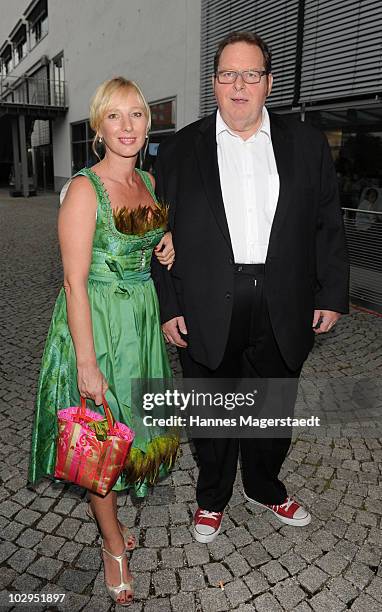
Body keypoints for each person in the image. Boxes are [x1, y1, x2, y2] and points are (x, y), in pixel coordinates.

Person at [152, 31, 349, 543]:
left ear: (268, 82)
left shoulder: (306, 143)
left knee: (273, 405)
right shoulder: (176, 152)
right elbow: (156, 235)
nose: (239, 84)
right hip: (204, 303)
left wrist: (331, 294)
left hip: (284, 298)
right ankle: (211, 497)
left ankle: (263, 487)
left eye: (251, 74)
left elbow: (328, 221)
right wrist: (169, 304)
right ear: (213, 82)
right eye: (227, 74)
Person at [28, 77, 179, 605]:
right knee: (100, 438)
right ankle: (113, 545)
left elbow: (143, 227)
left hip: (140, 323)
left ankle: (115, 532)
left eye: (137, 114)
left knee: (131, 430)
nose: (128, 126)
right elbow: (73, 281)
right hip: (98, 327)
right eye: (115, 116)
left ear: (148, 122)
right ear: (98, 127)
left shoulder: (150, 182)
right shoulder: (83, 190)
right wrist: (87, 363)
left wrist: (163, 239)